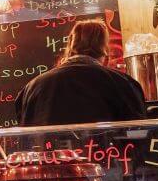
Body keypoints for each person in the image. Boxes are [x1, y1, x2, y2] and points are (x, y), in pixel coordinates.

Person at [15, 19, 147, 127]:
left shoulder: (32, 87)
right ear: (105, 48)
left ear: (70, 45)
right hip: (106, 152)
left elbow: (26, 134)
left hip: (49, 152)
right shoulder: (123, 83)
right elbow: (139, 132)